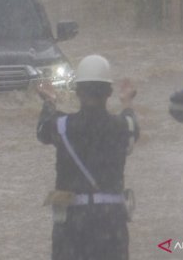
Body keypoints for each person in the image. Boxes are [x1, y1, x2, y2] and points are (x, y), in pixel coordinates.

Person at [36, 55, 139, 260]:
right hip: (111, 223)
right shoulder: (123, 126)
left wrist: (49, 101)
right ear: (109, 93)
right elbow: (132, 124)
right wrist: (127, 102)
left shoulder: (62, 126)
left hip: (72, 225)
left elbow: (42, 130)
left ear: (77, 92)